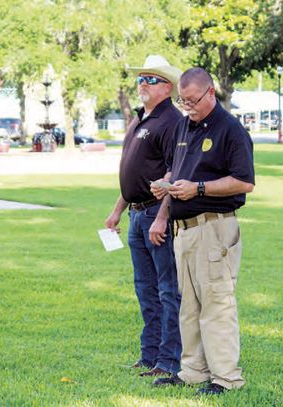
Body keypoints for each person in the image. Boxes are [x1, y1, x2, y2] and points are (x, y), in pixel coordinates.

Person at [152, 67, 254, 395]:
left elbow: (244, 182)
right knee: (189, 305)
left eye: (193, 101)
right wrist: (166, 189)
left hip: (213, 227)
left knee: (216, 303)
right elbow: (176, 168)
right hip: (184, 230)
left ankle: (226, 378)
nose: (188, 107)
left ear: (211, 92)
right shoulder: (184, 124)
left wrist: (198, 188)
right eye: (182, 101)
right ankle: (193, 370)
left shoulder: (231, 130)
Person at [105, 55, 182, 377]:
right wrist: (117, 210)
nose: (142, 85)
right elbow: (134, 173)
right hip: (136, 215)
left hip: (155, 214)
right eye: (140, 80)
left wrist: (163, 217)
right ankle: (149, 355)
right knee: (145, 289)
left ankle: (168, 360)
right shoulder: (140, 120)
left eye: (150, 80)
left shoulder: (171, 121)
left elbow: (173, 172)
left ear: (167, 86)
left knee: (167, 289)